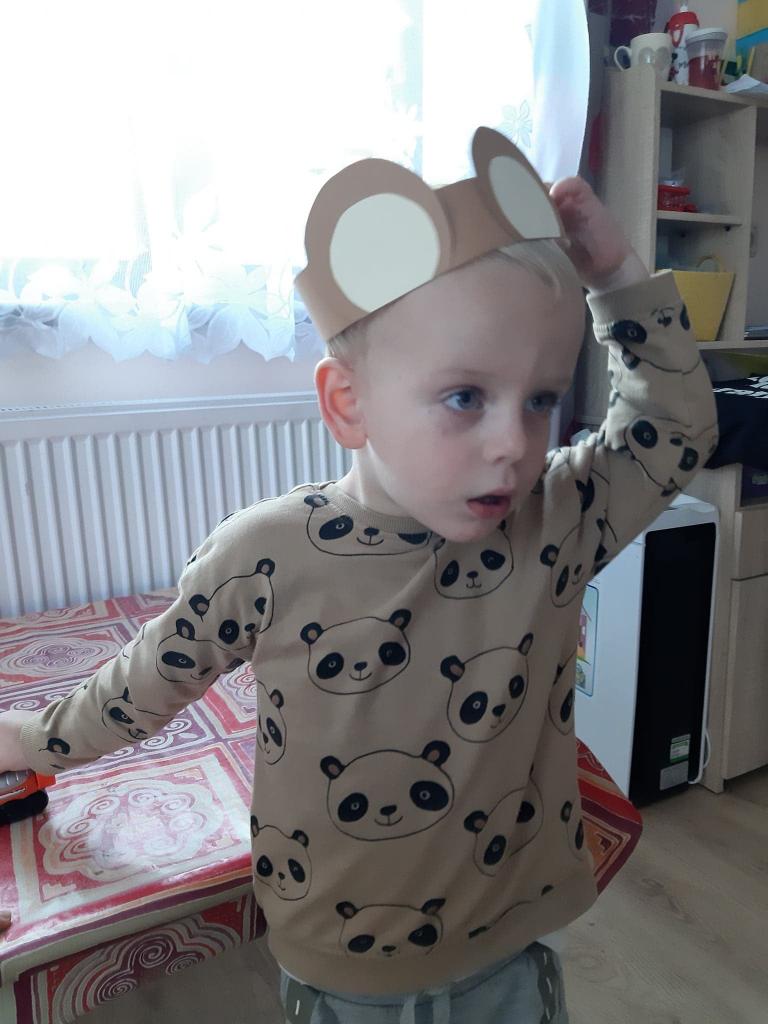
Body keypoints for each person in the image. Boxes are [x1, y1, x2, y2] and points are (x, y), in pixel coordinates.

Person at [0, 129, 717, 1023]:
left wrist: (618, 278)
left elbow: (676, 428)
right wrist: (29, 741)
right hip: (343, 966)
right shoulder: (264, 554)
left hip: (516, 937)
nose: (514, 442)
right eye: (465, 397)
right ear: (348, 403)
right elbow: (142, 687)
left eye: (540, 398)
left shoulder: (555, 523)